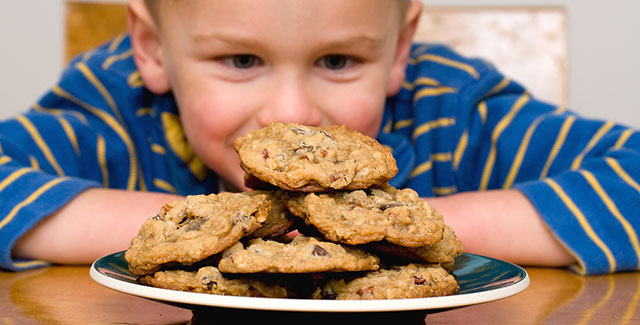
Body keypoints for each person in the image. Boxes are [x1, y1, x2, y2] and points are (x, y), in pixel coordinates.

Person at [0, 0, 638, 275]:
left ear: (399, 51)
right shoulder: (117, 110)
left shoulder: (450, 110)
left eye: (337, 61)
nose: (291, 114)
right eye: (241, 61)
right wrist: (202, 228)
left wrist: (399, 228)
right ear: (152, 48)